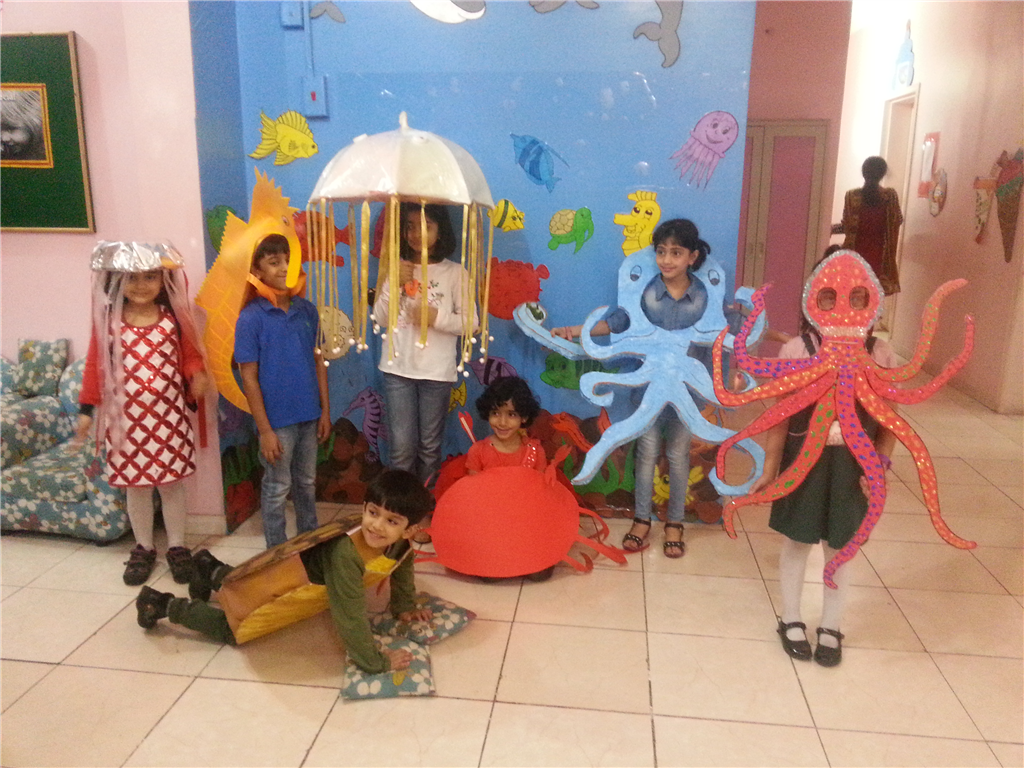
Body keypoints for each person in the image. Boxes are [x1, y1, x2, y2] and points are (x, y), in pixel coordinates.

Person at [552, 219, 739, 558]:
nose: (667, 260)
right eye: (661, 252)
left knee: (678, 456)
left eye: (676, 253)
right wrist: (576, 330)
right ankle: (641, 520)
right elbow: (618, 322)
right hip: (647, 389)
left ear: (693, 257)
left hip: (688, 391)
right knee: (647, 452)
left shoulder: (706, 295)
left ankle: (674, 523)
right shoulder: (645, 291)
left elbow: (730, 329)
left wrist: (774, 338)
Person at [135, 469, 435, 674]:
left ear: (410, 531)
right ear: (364, 507)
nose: (377, 526)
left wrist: (405, 606)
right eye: (373, 513)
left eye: (391, 521)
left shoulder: (401, 544)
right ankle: (162, 604)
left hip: (297, 578)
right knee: (234, 628)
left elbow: (401, 565)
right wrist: (374, 662)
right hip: (287, 584)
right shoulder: (347, 554)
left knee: (244, 584)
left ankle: (209, 569)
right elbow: (350, 615)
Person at [752, 264, 897, 667]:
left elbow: (889, 419)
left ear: (872, 302)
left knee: (842, 545)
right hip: (803, 461)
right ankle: (791, 618)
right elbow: (781, 415)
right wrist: (770, 468)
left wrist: (879, 466)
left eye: (857, 296)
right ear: (813, 300)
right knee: (797, 539)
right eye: (830, 295)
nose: (843, 306)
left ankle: (832, 625)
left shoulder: (880, 354)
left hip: (853, 466)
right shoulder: (797, 351)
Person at [77, 242, 210, 586]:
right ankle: (144, 547)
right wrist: (87, 410)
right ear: (116, 281)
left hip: (169, 421)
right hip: (126, 426)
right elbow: (95, 366)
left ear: (163, 280)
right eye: (132, 278)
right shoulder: (109, 324)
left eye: (150, 277)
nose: (140, 285)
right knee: (136, 489)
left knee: (171, 485)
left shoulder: (173, 320)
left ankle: (177, 546)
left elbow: (190, 356)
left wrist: (196, 374)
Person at [234, 234, 331, 549]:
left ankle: (309, 542)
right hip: (276, 422)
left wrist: (325, 411)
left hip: (309, 415)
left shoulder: (307, 311)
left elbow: (319, 362)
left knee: (307, 482)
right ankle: (275, 550)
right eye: (274, 262)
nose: (284, 268)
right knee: (277, 487)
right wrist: (265, 430)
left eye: (289, 261)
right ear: (257, 271)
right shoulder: (250, 318)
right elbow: (249, 378)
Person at [374, 203, 477, 488]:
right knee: (401, 449)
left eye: (425, 226)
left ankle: (426, 504)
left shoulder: (455, 273)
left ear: (440, 231)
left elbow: (472, 323)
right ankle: (399, 506)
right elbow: (381, 318)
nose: (416, 233)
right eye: (410, 226)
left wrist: (436, 317)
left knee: (430, 448)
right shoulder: (398, 268)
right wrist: (395, 284)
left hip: (436, 373)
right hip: (397, 370)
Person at [834, 156, 904, 295]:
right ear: (883, 174)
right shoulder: (890, 197)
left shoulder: (851, 196)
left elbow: (846, 226)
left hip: (855, 256)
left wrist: (831, 229)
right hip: (880, 260)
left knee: (852, 298)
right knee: (873, 300)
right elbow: (898, 220)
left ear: (863, 173)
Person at [466, 376, 546, 475]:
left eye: (511, 414)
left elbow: (540, 484)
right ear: (487, 413)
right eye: (495, 413)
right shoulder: (478, 451)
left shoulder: (536, 451)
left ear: (524, 417)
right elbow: (472, 485)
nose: (502, 423)